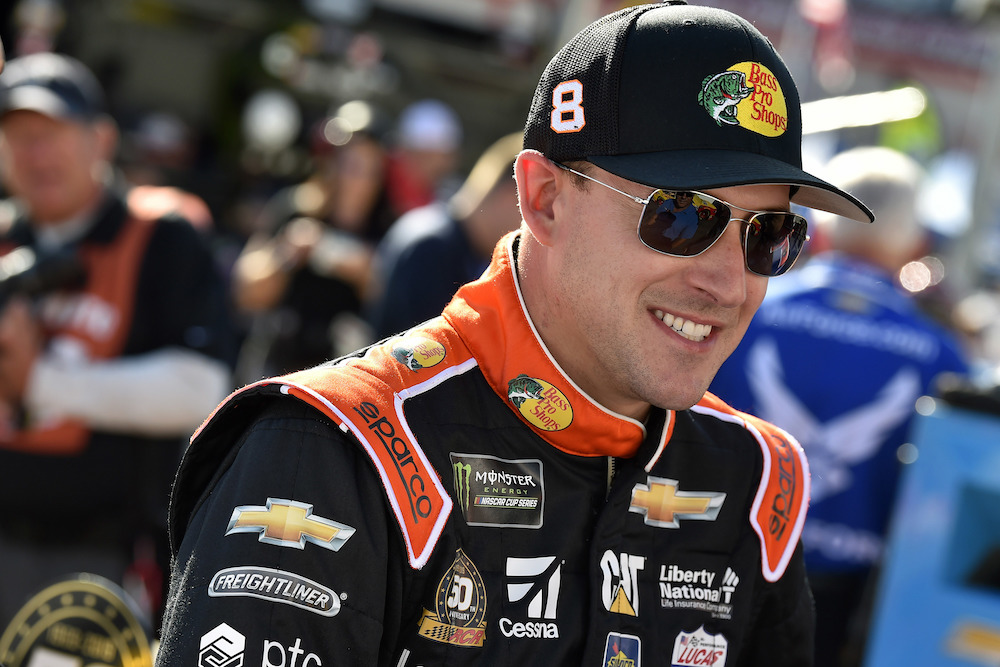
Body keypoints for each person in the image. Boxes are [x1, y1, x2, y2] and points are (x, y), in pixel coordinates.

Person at [156, 4, 874, 665]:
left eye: (768, 235)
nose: (729, 283)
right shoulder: (338, 449)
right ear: (545, 199)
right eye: (682, 216)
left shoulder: (757, 482)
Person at [0, 52, 235, 631]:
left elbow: (199, 389)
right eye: (18, 137)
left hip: (100, 558)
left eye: (52, 134)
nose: (35, 154)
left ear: (101, 140)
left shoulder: (162, 234)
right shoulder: (6, 239)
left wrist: (40, 382)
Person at [709, 146, 970, 666]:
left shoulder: (741, 311)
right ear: (917, 245)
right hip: (843, 607)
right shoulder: (943, 358)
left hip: (708, 562)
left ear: (819, 233)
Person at [230, 100, 394, 381]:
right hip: (280, 362)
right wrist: (287, 253)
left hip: (343, 377)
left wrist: (362, 272)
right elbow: (246, 293)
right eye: (347, 162)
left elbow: (397, 313)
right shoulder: (297, 209)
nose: (354, 176)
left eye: (365, 166)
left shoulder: (388, 229)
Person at [366, 131, 523, 339]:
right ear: (512, 195)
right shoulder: (431, 249)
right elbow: (428, 349)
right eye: (530, 212)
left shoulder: (445, 239)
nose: (529, 233)